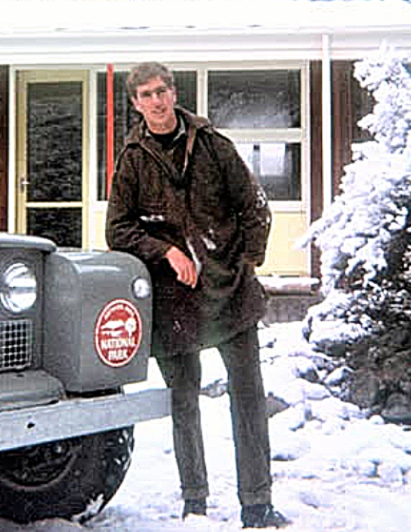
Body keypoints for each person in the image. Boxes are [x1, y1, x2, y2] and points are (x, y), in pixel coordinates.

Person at [106, 62, 289, 529]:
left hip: (230, 294)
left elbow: (255, 207)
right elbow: (118, 230)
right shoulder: (132, 160)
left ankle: (258, 505)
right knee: (183, 402)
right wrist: (165, 250)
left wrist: (243, 265)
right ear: (135, 103)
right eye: (145, 94)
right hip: (174, 302)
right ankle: (195, 505)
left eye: (162, 90)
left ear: (174, 92)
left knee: (247, 396)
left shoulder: (213, 145)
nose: (156, 101)